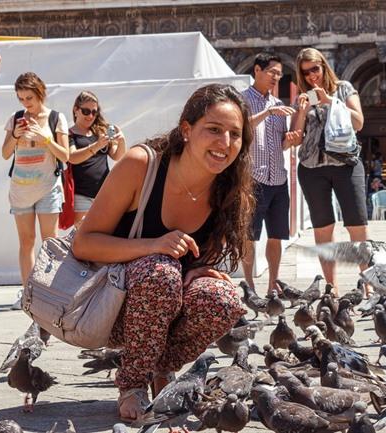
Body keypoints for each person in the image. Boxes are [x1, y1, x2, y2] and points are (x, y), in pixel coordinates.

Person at [71, 84, 252, 421]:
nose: (224, 143)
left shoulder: (228, 190)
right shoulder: (143, 165)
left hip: (166, 305)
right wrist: (154, 246)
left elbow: (190, 266)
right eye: (213, 129)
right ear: (186, 130)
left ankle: (161, 368)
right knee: (160, 269)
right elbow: (84, 243)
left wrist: (198, 270)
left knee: (224, 297)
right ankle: (132, 383)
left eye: (235, 134)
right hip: (110, 307)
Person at [289, 47, 366, 295]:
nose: (312, 76)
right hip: (312, 168)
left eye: (315, 69)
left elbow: (358, 123)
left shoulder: (343, 88)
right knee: (323, 228)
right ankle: (332, 288)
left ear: (323, 66)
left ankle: (368, 287)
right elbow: (297, 138)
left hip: (346, 164)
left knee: (357, 226)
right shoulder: (303, 95)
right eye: (306, 72)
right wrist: (300, 111)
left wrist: (330, 101)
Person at [1, 73, 70, 293]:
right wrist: (14, 134)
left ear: (40, 93)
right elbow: (4, 153)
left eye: (29, 98)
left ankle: (51, 291)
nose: (25, 103)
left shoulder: (56, 118)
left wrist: (46, 139)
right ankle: (29, 291)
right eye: (21, 98)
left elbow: (66, 156)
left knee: (50, 242)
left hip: (48, 187)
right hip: (21, 189)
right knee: (26, 242)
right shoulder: (16, 118)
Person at [240, 53, 301, 295]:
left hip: (278, 179)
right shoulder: (242, 100)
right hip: (252, 179)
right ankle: (250, 286)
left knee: (276, 236)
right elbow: (241, 130)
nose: (277, 77)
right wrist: (266, 114)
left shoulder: (279, 104)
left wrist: (290, 140)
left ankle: (272, 284)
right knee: (249, 236)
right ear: (257, 70)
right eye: (272, 72)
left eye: (279, 74)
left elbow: (282, 144)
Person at [68, 91, 126, 223]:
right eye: (86, 111)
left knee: (105, 231)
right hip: (81, 194)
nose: (91, 116)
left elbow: (117, 156)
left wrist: (121, 140)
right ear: (76, 110)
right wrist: (96, 146)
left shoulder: (101, 131)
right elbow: (72, 157)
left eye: (94, 112)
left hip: (104, 192)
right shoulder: (69, 134)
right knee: (81, 235)